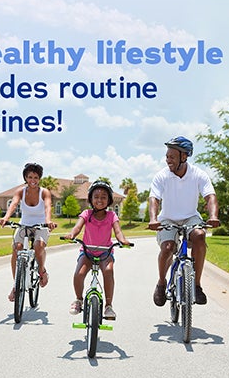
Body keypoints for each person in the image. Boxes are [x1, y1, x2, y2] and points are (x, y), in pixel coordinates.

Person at [148, 136, 220, 307]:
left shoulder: (198, 175)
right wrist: (153, 219)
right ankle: (161, 283)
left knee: (200, 236)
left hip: (190, 217)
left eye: (172, 156)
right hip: (168, 218)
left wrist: (213, 216)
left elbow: (210, 197)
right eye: (167, 156)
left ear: (184, 156)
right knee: (167, 248)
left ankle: (196, 285)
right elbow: (154, 199)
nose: (168, 160)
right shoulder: (162, 176)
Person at [64, 180, 131, 320]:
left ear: (109, 200)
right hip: (87, 252)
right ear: (91, 199)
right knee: (79, 273)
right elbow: (77, 227)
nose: (99, 200)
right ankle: (78, 300)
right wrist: (71, 234)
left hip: (105, 252)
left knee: (108, 271)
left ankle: (108, 306)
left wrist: (123, 240)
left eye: (103, 197)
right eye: (96, 197)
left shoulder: (112, 216)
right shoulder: (86, 214)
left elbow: (118, 232)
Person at [0, 163, 56, 301]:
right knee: (16, 249)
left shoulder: (44, 192)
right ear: (25, 177)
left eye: (36, 177)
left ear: (39, 178)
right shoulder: (20, 191)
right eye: (30, 177)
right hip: (24, 224)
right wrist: (6, 218)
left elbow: (48, 207)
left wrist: (48, 221)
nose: (33, 180)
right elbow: (13, 204)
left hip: (41, 225)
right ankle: (15, 286)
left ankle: (41, 270)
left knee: (38, 246)